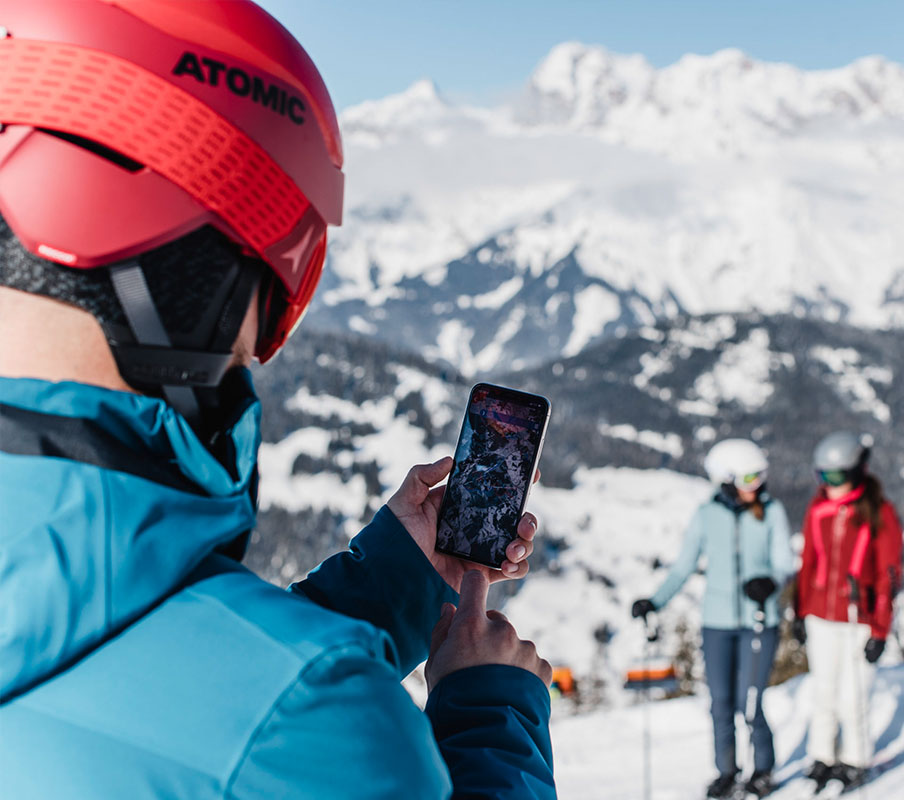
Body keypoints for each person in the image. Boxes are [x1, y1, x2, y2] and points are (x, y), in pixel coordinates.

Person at [0, 2, 554, 797]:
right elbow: (240, 709)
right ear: (198, 287)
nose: (256, 350)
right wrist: (489, 715)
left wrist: (393, 582)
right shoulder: (316, 725)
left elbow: (169, 676)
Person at [631, 439, 794, 799]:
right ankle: (727, 772)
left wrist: (770, 582)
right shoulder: (706, 516)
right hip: (717, 623)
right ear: (726, 480)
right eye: (750, 477)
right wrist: (654, 602)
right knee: (721, 703)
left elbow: (784, 564)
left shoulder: (772, 511)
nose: (759, 484)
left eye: (761, 476)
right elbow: (684, 566)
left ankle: (763, 769)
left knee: (749, 702)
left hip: (758, 619)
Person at [792, 431, 903, 792]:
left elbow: (889, 573)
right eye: (822, 476)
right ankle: (822, 755)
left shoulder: (878, 512)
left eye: (835, 476)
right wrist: (798, 611)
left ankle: (855, 759)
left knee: (853, 698)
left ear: (856, 471)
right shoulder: (818, 508)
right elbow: (808, 561)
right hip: (820, 615)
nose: (829, 484)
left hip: (859, 619)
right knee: (822, 691)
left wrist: (881, 630)